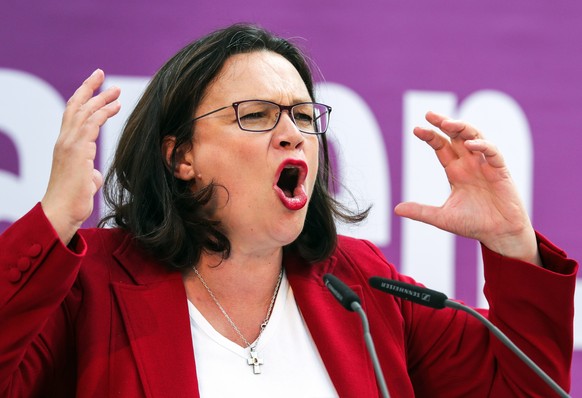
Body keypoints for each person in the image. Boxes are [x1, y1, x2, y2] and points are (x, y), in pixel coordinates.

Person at [0, 23, 576, 398]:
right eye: (255, 115)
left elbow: (529, 391)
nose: (292, 134)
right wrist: (52, 220)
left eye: (303, 116)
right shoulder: (94, 283)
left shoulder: (358, 284)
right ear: (180, 157)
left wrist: (509, 241)